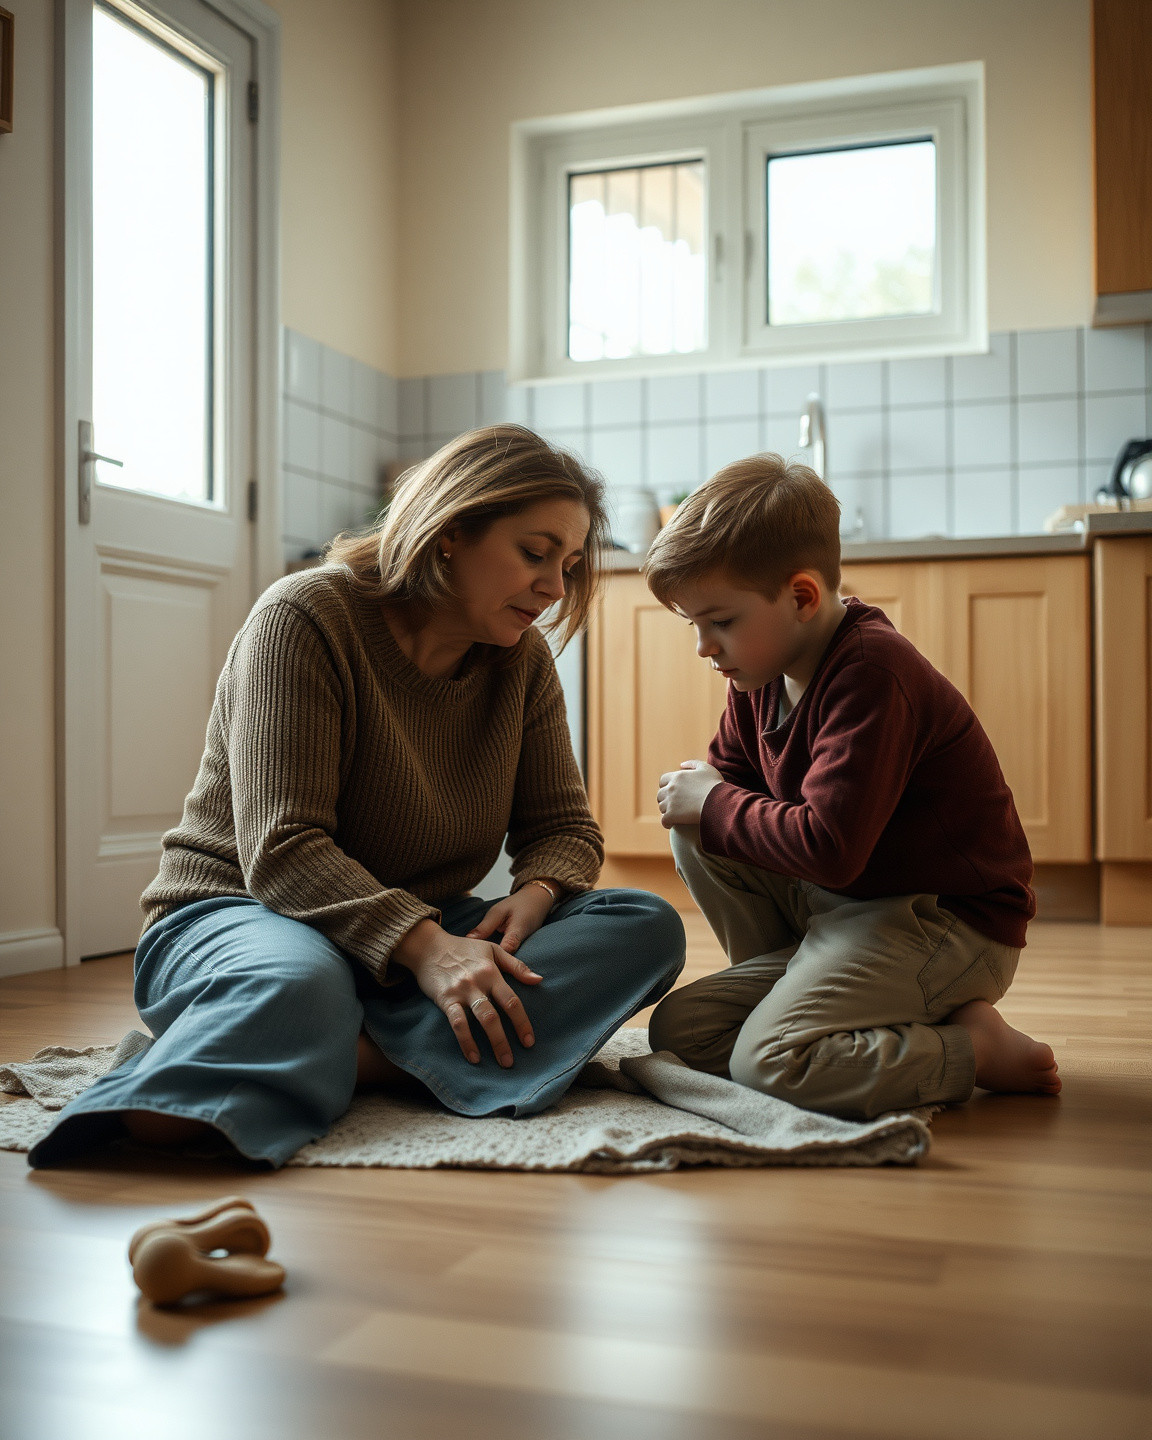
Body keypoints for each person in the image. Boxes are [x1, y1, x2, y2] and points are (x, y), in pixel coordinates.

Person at [30, 426, 684, 1168]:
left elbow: (565, 827)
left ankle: (330, 1051)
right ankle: (302, 1049)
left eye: (568, 565)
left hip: (408, 937)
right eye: (534, 554)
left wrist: (533, 897)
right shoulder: (306, 616)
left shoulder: (522, 662)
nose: (554, 587)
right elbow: (283, 853)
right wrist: (431, 951)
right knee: (301, 978)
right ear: (448, 535)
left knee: (643, 923)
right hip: (243, 912)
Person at [643, 454, 1060, 1121]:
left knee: (766, 1061)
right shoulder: (759, 672)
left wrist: (716, 800)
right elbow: (732, 789)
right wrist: (712, 799)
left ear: (802, 597)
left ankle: (968, 1049)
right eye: (693, 625)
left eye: (719, 622)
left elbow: (830, 847)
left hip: (946, 922)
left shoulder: (871, 672)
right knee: (682, 1032)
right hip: (846, 914)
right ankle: (800, 989)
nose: (705, 648)